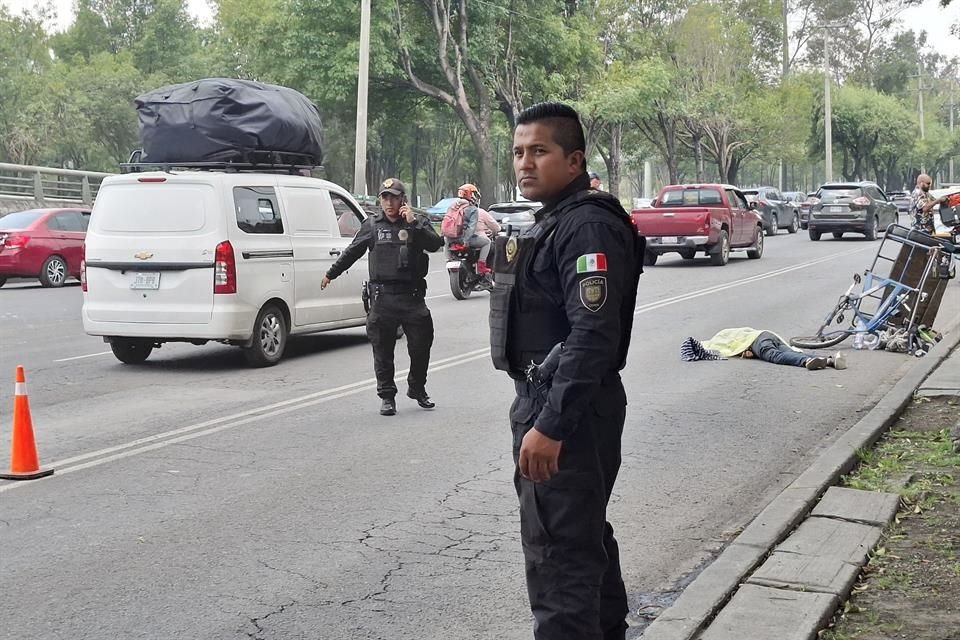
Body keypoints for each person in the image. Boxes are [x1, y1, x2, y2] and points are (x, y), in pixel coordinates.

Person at [489, 102, 643, 640]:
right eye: (518, 152)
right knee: (581, 542)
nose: (525, 163)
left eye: (539, 151)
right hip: (557, 402)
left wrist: (551, 425)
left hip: (566, 411)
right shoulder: (558, 221)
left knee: (559, 560)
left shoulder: (586, 228)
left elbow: (592, 336)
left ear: (574, 160)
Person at [321, 178, 443, 416]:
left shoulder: (417, 223)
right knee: (382, 350)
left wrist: (414, 224)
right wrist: (331, 274)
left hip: (412, 297)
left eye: (394, 198)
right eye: (385, 198)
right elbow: (352, 251)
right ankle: (387, 396)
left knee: (421, 346)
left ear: (403, 200)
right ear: (380, 200)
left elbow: (435, 244)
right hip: (383, 297)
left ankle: (417, 388)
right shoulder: (372, 226)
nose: (389, 202)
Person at [681, 327, 847, 370]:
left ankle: (807, 361)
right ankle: (830, 360)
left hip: (757, 341)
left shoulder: (717, 341)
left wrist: (745, 353)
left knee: (775, 356)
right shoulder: (727, 333)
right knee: (790, 351)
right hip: (768, 334)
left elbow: (733, 348)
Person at [450, 183, 493, 274]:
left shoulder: (453, 207)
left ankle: (449, 260)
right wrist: (466, 241)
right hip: (464, 239)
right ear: (470, 194)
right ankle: (481, 266)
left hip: (452, 239)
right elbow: (471, 227)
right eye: (473, 194)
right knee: (487, 242)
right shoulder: (472, 209)